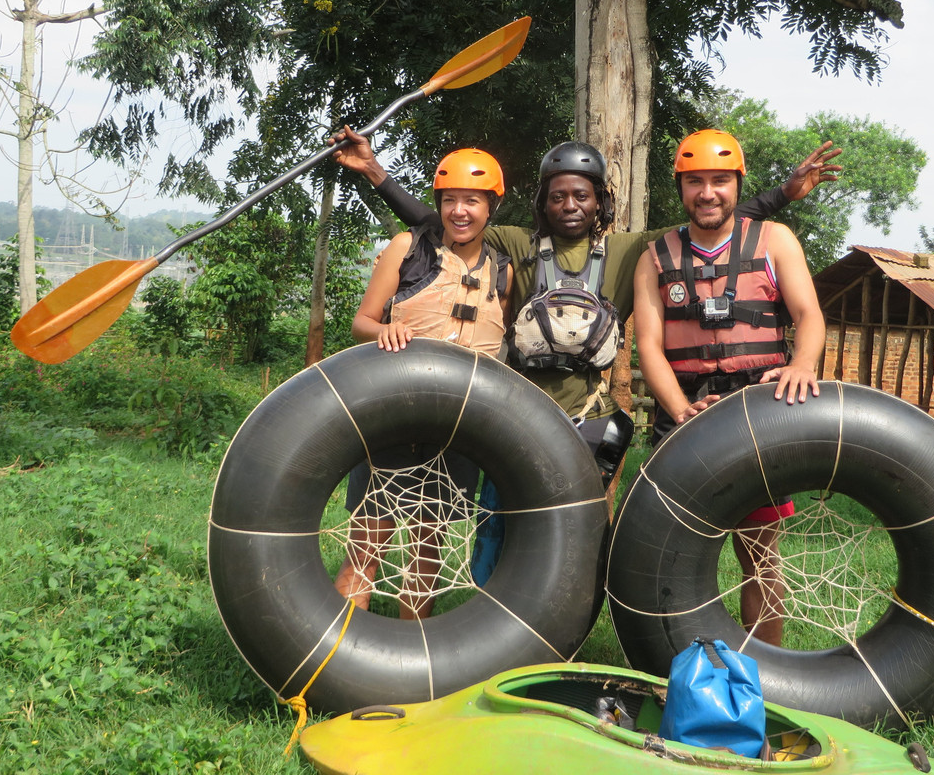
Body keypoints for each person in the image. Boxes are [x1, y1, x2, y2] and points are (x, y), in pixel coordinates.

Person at [331, 126, 838, 582]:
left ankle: (565, 629)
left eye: (581, 195)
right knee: (498, 533)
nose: (569, 204)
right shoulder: (514, 242)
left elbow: (709, 219)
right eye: (558, 196)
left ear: (599, 201)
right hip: (518, 415)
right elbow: (446, 225)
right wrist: (376, 172)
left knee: (576, 538)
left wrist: (782, 196)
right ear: (543, 203)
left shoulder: (628, 250)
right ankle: (491, 623)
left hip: (588, 420)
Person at [633, 129, 826, 645]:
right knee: (673, 554)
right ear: (681, 187)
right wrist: (679, 408)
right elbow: (648, 345)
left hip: (756, 415)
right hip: (685, 418)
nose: (708, 192)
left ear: (737, 185)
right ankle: (675, 662)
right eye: (695, 181)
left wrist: (803, 363)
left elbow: (809, 315)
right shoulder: (655, 256)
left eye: (720, 180)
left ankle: (764, 669)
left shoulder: (774, 240)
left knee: (760, 555)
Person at [333, 147, 514, 619]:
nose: (460, 210)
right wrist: (385, 329)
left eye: (472, 200)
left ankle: (410, 666)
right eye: (450, 199)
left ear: (490, 206)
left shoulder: (503, 269)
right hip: (393, 421)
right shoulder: (406, 246)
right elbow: (362, 322)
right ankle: (333, 666)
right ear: (438, 202)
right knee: (365, 550)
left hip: (455, 431)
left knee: (425, 560)